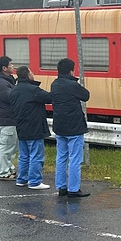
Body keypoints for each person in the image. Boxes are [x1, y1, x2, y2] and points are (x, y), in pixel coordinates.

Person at [50, 58, 91, 197]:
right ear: (71, 71)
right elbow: (86, 95)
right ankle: (73, 189)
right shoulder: (72, 85)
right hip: (74, 127)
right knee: (75, 159)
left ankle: (61, 187)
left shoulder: (54, 84)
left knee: (61, 157)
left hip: (59, 126)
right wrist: (75, 81)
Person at [9, 66, 52, 190]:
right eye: (31, 73)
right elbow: (49, 98)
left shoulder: (14, 90)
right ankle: (35, 181)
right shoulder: (33, 90)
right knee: (36, 155)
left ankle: (22, 179)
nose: (33, 74)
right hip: (34, 126)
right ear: (28, 75)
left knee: (24, 155)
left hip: (21, 126)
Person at [0, 55, 18, 180]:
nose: (13, 66)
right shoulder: (0, 83)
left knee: (12, 146)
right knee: (6, 146)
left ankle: (9, 168)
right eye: (11, 64)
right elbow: (9, 98)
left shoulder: (6, 80)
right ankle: (3, 172)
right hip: (7, 119)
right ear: (4, 68)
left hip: (10, 118)